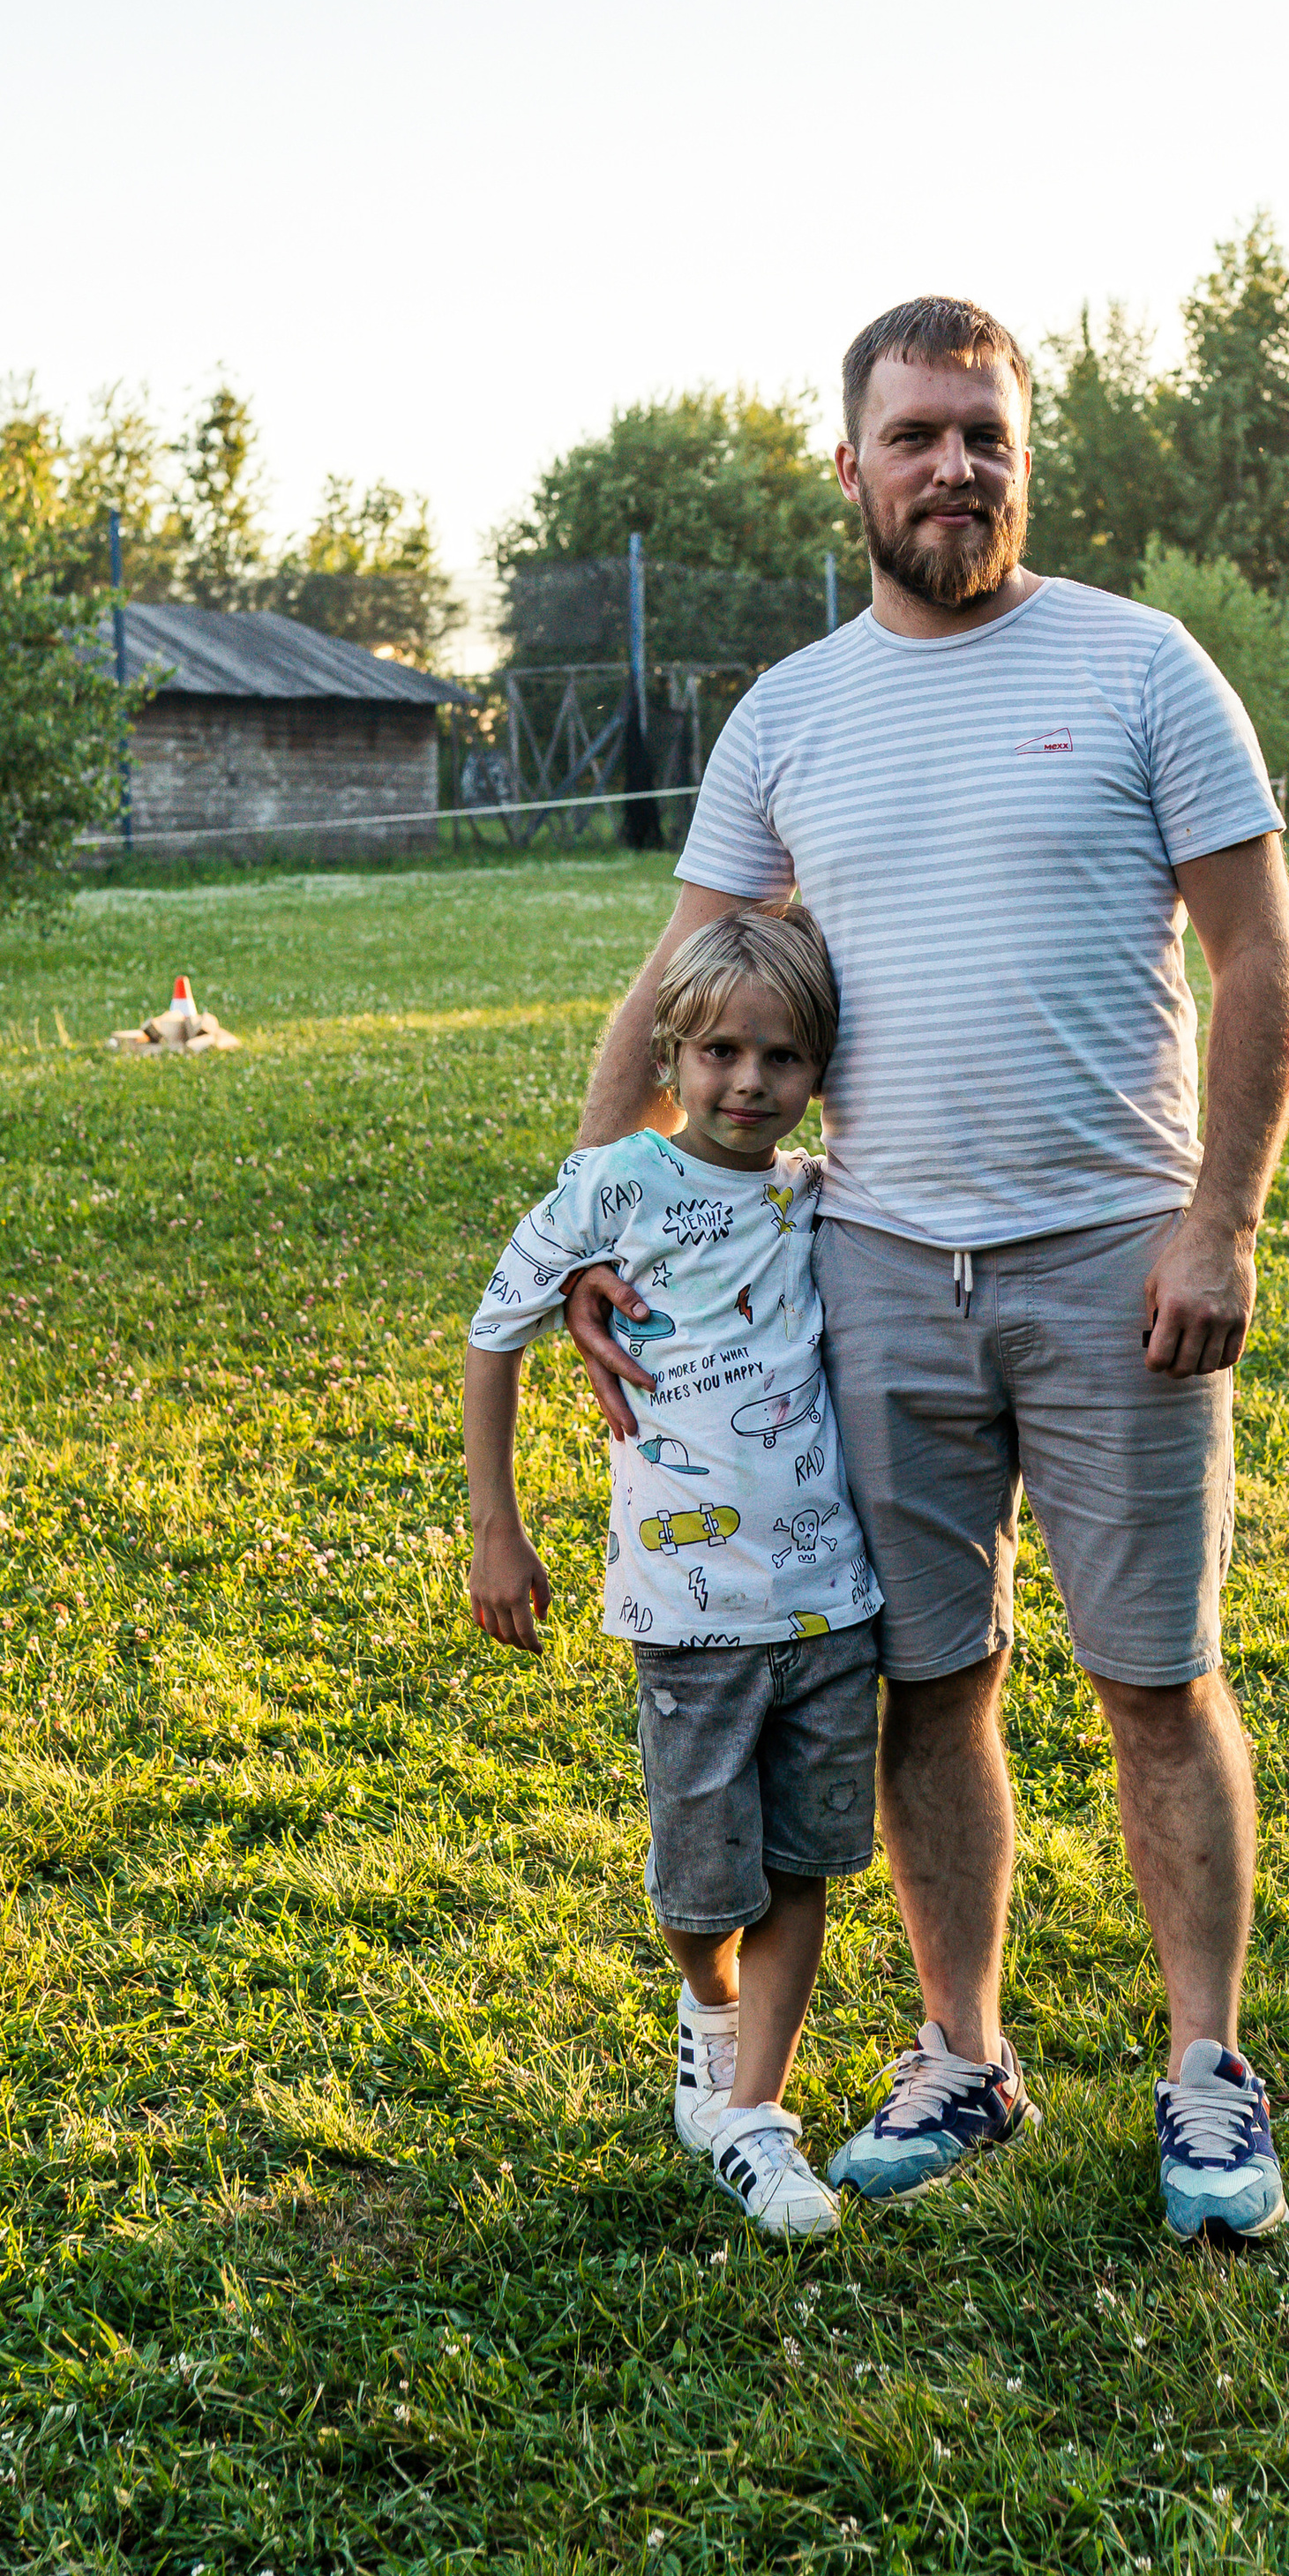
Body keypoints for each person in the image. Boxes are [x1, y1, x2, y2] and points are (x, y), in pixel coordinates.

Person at [561, 296, 1289, 2242]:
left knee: (1153, 1677)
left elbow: (1256, 963)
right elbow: (680, 976)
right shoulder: (791, 712)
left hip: (1112, 1263)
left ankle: (1203, 2076)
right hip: (875, 1269)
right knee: (922, 1680)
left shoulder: (1141, 667)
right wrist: (593, 1215)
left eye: (981, 433)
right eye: (915, 435)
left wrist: (1219, 1220)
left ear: (1018, 454)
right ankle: (960, 2054)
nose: (951, 466)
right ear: (849, 467)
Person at [463, 908, 881, 2240]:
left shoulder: (820, 1196)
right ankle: (708, 2012)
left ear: (819, 1071)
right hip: (686, 1614)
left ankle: (757, 2113)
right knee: (705, 1884)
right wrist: (497, 1527)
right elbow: (494, 1340)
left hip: (829, 1600)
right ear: (672, 1050)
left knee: (806, 1857)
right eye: (716, 1052)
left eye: (780, 1058)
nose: (747, 1083)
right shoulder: (609, 1192)